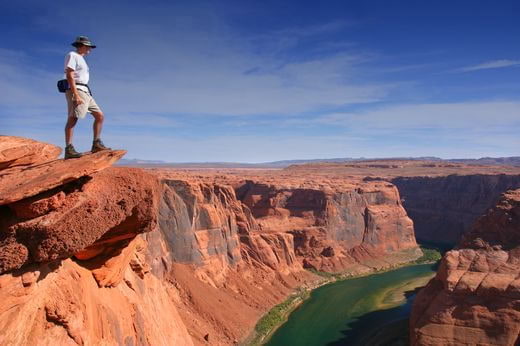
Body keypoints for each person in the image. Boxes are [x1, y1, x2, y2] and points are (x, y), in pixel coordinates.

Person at [63, 36, 111, 159]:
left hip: (85, 91)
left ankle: (96, 144)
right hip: (77, 89)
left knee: (99, 116)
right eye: (88, 46)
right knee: (73, 118)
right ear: (81, 45)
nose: (90, 48)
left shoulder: (82, 59)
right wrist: (75, 94)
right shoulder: (72, 55)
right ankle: (69, 148)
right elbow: (69, 74)